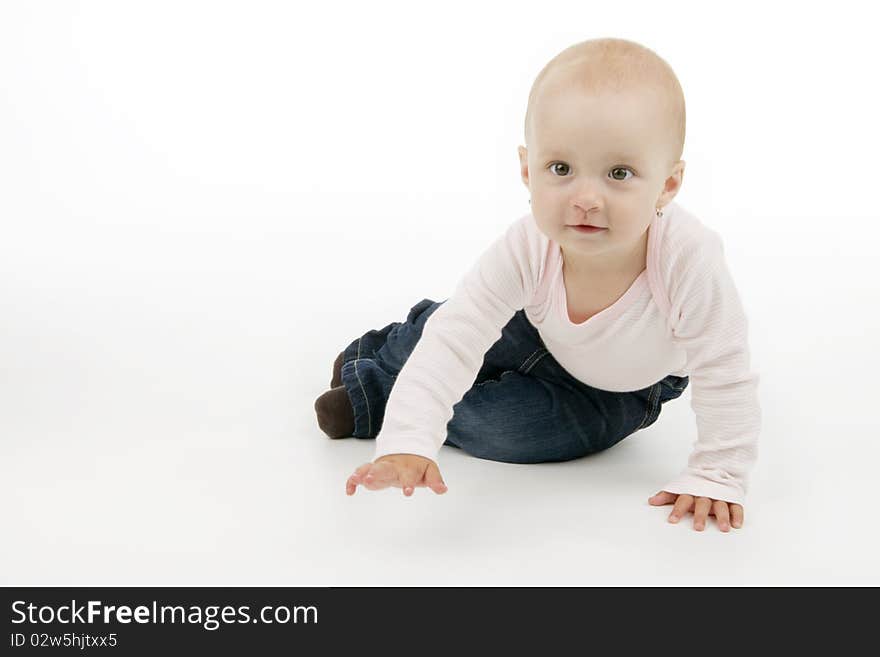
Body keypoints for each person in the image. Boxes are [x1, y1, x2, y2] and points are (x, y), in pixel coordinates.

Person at [314, 37, 760, 532]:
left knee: (510, 433)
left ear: (668, 184)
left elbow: (725, 367)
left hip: (620, 389)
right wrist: (405, 443)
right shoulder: (529, 245)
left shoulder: (686, 255)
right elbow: (458, 335)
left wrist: (717, 472)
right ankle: (390, 357)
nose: (586, 198)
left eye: (619, 173)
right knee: (445, 331)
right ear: (528, 170)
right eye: (561, 169)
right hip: (532, 326)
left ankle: (376, 387)